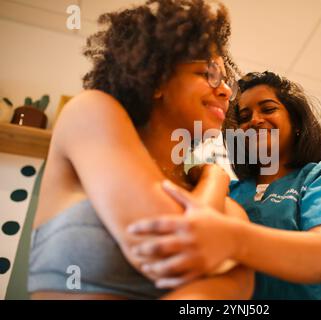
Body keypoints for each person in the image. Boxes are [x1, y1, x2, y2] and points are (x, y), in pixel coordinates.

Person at [28, 0, 254, 300]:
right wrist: (215, 178)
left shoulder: (230, 210)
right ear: (157, 78)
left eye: (226, 80)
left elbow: (234, 298)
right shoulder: (88, 111)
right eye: (207, 74)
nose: (225, 90)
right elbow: (168, 251)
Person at [128, 71, 321, 299]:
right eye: (244, 116)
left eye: (268, 109)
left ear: (296, 123)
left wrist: (230, 239)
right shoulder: (229, 191)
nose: (254, 120)